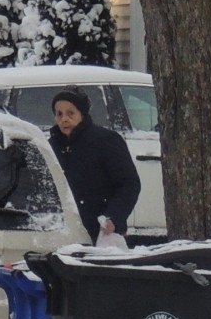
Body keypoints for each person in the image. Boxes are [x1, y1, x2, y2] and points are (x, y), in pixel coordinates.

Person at [47, 88, 142, 241]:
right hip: (61, 233)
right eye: (59, 114)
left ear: (82, 114)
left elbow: (129, 184)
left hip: (102, 234)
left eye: (70, 113)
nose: (64, 119)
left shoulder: (107, 141)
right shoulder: (50, 147)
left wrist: (113, 218)